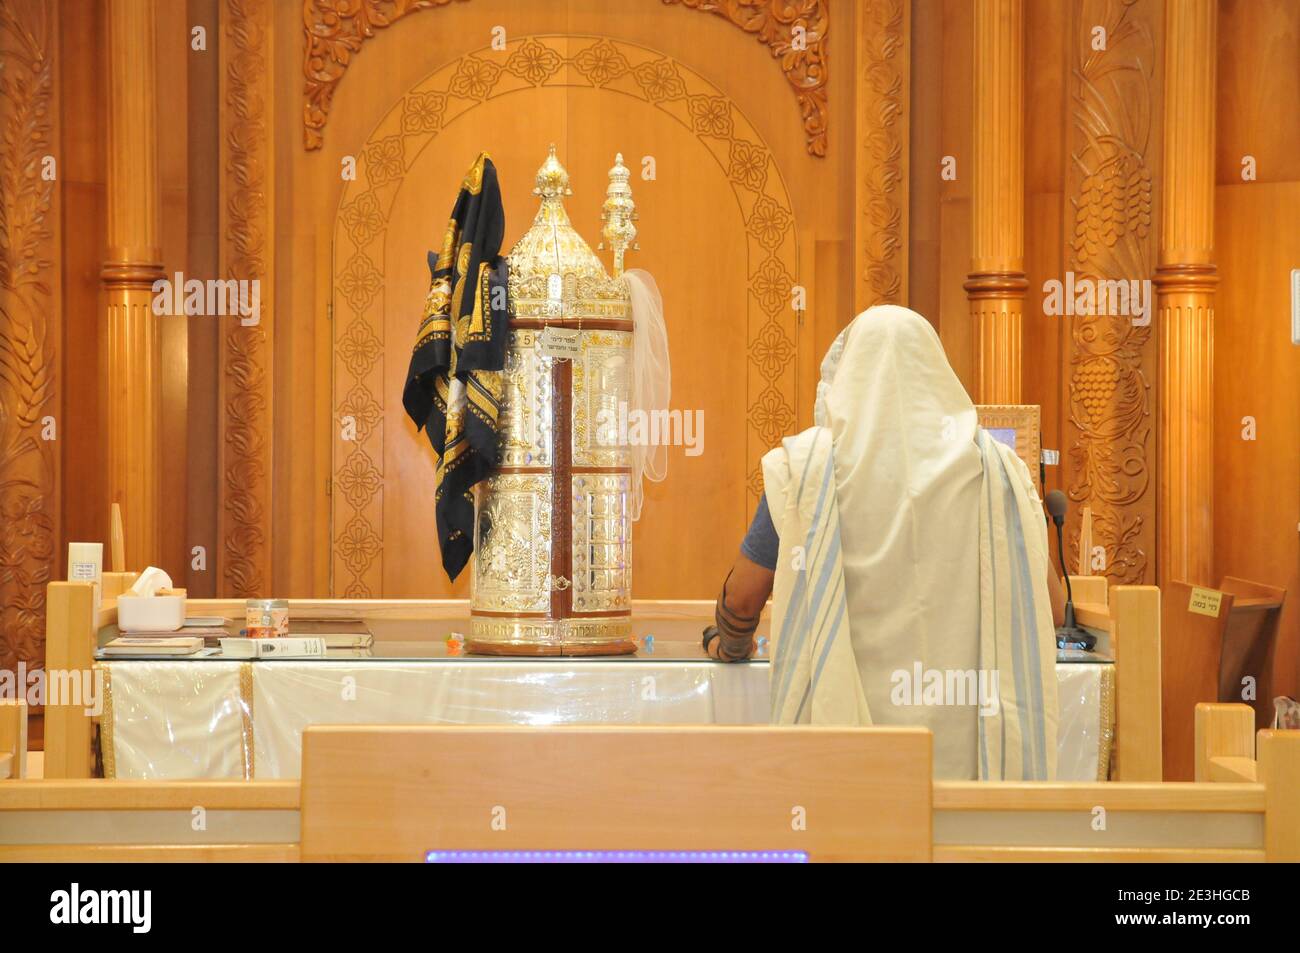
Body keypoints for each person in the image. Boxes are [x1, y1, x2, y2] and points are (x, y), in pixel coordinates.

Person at [705, 305, 1064, 780]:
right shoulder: (1000, 472)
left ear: (844, 376)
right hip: (969, 755)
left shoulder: (807, 470)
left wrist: (728, 646)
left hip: (848, 756)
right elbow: (1055, 611)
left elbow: (744, 597)